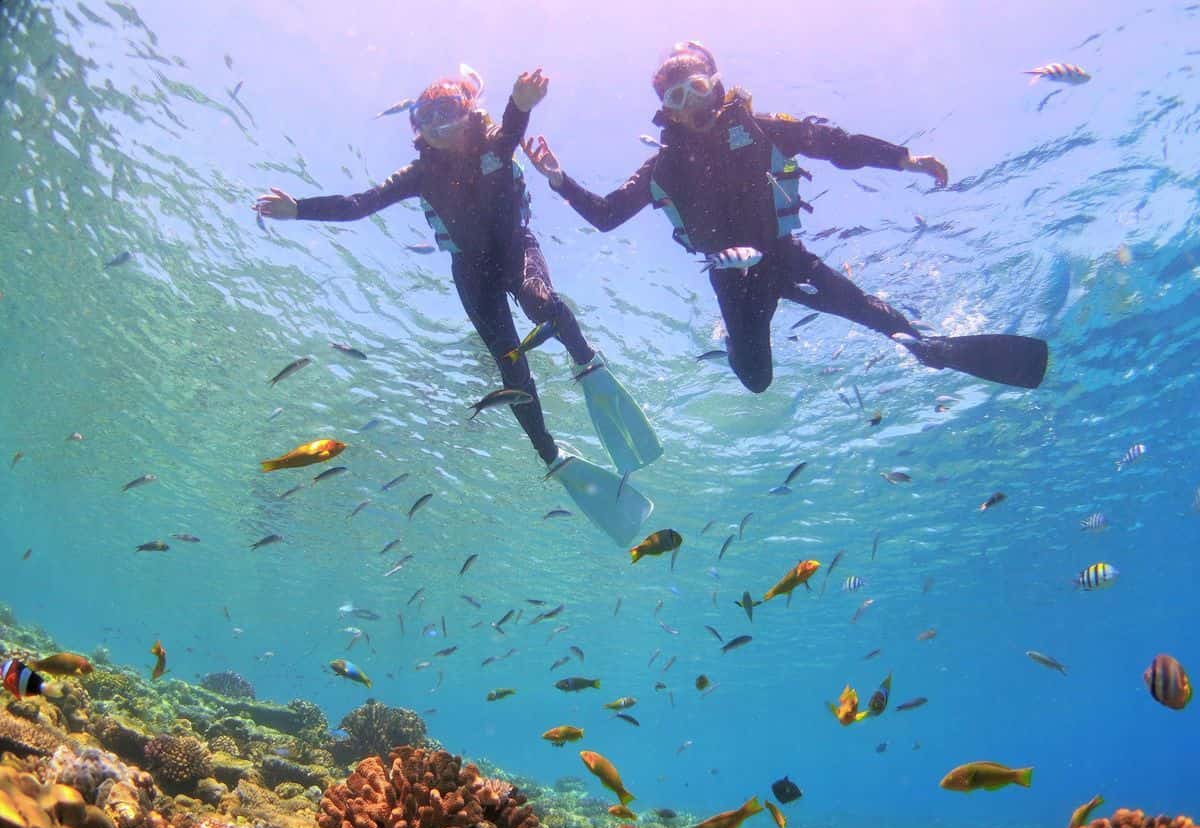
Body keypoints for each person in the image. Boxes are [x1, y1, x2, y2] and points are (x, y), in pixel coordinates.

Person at [254, 67, 660, 546]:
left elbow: (513, 125)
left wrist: (521, 102)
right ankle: (551, 455)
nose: (437, 124)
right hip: (471, 272)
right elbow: (361, 203)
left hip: (516, 249)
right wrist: (299, 209)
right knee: (511, 369)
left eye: (446, 111)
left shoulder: (496, 146)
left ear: (468, 112)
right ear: (417, 129)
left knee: (540, 303)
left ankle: (587, 364)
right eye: (426, 117)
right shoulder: (420, 174)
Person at [524, 41, 1048, 394]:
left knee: (889, 326)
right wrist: (558, 178)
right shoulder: (662, 167)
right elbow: (608, 215)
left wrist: (905, 158)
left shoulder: (760, 128)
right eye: (677, 98)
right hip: (733, 283)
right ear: (668, 112)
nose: (691, 105)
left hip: (787, 259)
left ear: (716, 86)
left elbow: (836, 144)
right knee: (756, 381)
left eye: (697, 88)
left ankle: (936, 350)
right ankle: (733, 343)